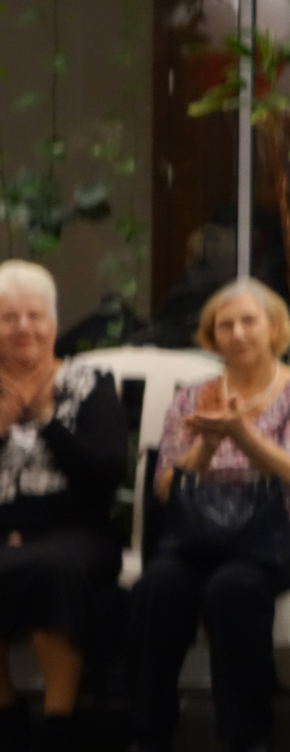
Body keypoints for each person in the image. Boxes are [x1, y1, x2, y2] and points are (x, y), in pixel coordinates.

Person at [129, 279, 290, 752]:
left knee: (233, 587)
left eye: (249, 321)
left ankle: (247, 739)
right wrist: (208, 442)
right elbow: (166, 488)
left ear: (274, 328)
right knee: (159, 585)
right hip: (205, 534)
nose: (238, 333)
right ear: (212, 336)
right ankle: (148, 734)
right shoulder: (192, 398)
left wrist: (243, 433)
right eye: (225, 325)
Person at [0, 261, 127, 752]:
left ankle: (59, 722)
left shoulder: (89, 383)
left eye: (34, 315)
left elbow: (105, 477)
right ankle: (7, 713)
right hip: (5, 534)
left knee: (53, 568)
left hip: (77, 533)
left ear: (53, 323)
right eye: (8, 317)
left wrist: (47, 420)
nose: (23, 327)